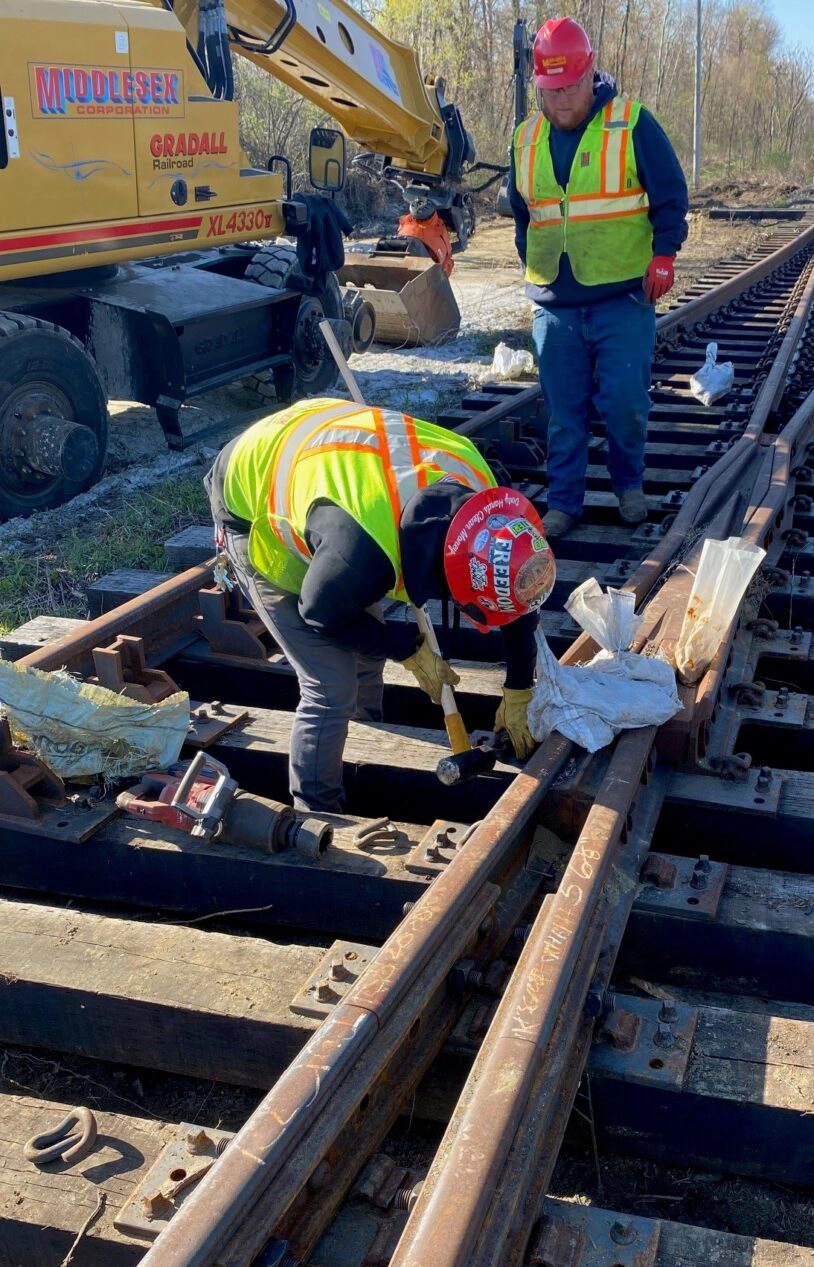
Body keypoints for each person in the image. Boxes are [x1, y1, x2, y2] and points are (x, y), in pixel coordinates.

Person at [206, 396, 556, 813]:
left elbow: (518, 592)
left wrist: (519, 687)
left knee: (366, 654)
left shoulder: (489, 505)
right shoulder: (361, 555)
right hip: (250, 490)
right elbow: (320, 612)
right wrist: (404, 647)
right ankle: (315, 807)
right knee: (331, 685)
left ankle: (364, 739)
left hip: (321, 449)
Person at [508, 15, 689, 539]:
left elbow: (671, 196)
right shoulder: (525, 138)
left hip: (622, 299)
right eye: (550, 90)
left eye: (570, 87)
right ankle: (564, 502)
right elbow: (524, 215)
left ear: (591, 75)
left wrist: (664, 255)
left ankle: (628, 486)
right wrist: (533, 270)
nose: (561, 100)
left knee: (625, 402)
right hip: (555, 305)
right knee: (564, 412)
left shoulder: (632, 124)